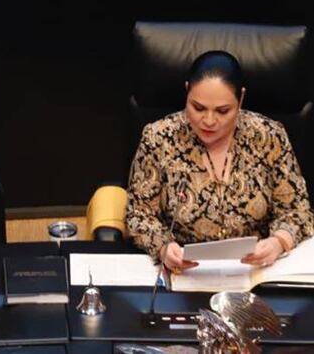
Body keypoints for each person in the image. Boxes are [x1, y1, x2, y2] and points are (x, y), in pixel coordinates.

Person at [126, 50, 314, 273]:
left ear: (241, 98)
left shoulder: (268, 137)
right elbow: (138, 215)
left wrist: (278, 242)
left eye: (222, 111)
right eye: (198, 108)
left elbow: (297, 211)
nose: (208, 121)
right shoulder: (158, 138)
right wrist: (163, 247)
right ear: (187, 91)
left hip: (255, 271)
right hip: (186, 272)